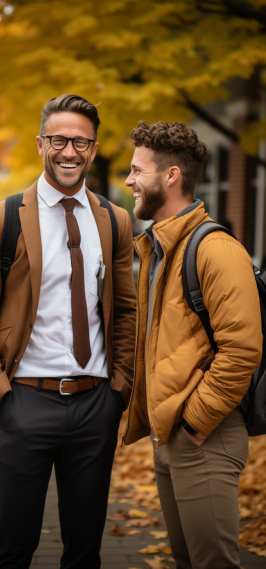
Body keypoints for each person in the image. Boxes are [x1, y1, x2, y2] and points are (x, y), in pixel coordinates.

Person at [0, 94, 136, 569]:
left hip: (95, 405)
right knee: (13, 549)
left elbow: (126, 312)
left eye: (81, 142)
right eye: (59, 140)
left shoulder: (115, 221)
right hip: (25, 403)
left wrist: (119, 388)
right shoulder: (1, 218)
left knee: (85, 551)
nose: (69, 152)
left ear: (93, 149)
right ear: (41, 144)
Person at [123, 120, 262, 569]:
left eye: (136, 170)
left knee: (213, 563)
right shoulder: (159, 249)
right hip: (174, 436)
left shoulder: (215, 249)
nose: (128, 180)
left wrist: (195, 425)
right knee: (187, 560)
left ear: (170, 176)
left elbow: (242, 349)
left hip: (205, 435)